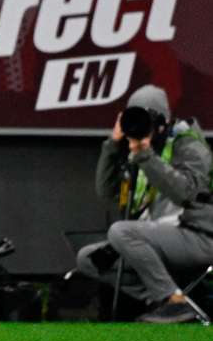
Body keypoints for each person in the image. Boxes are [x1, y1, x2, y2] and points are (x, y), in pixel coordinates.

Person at [76, 84, 213, 323]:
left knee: (122, 231)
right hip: (159, 238)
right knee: (88, 259)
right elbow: (107, 193)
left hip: (200, 237)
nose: (141, 126)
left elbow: (185, 194)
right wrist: (112, 146)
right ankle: (169, 302)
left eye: (146, 119)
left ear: (163, 122)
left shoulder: (190, 146)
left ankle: (173, 302)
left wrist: (145, 155)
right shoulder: (135, 150)